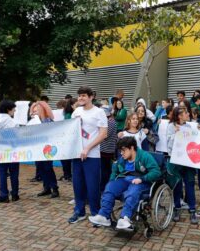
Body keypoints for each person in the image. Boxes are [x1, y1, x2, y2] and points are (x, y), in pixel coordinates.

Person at [88, 137, 161, 230]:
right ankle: (104, 216)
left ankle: (125, 218)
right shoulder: (122, 159)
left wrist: (142, 179)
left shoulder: (145, 156)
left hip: (142, 181)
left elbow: (156, 172)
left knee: (133, 190)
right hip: (125, 179)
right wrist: (112, 181)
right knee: (110, 187)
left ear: (131, 148)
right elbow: (115, 170)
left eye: (123, 150)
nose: (121, 153)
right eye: (120, 151)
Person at [69, 86, 108, 224]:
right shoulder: (76, 112)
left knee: (92, 186)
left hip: (92, 155)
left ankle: (96, 213)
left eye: (84, 95)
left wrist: (87, 148)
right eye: (79, 95)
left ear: (91, 97)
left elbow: (104, 134)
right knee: (77, 184)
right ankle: (79, 212)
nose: (81, 98)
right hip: (76, 154)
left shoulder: (99, 112)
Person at [167, 107, 198, 224]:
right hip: (175, 160)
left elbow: (192, 142)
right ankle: (177, 207)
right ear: (179, 116)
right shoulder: (171, 126)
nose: (188, 114)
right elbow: (169, 145)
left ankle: (192, 209)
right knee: (177, 184)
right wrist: (176, 133)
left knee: (190, 183)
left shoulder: (189, 127)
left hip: (187, 160)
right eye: (185, 113)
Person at [0, 100, 20, 203]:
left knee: (2, 173)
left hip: (0, 150)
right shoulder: (14, 122)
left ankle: (4, 195)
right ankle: (15, 194)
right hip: (13, 150)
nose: (14, 111)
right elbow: (18, 137)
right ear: (8, 109)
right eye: (13, 109)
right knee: (14, 173)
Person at [30, 101, 59, 198]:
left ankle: (54, 188)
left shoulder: (48, 121)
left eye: (37, 110)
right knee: (40, 168)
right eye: (33, 111)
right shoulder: (33, 122)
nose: (35, 112)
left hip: (47, 149)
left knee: (48, 168)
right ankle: (46, 188)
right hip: (37, 148)